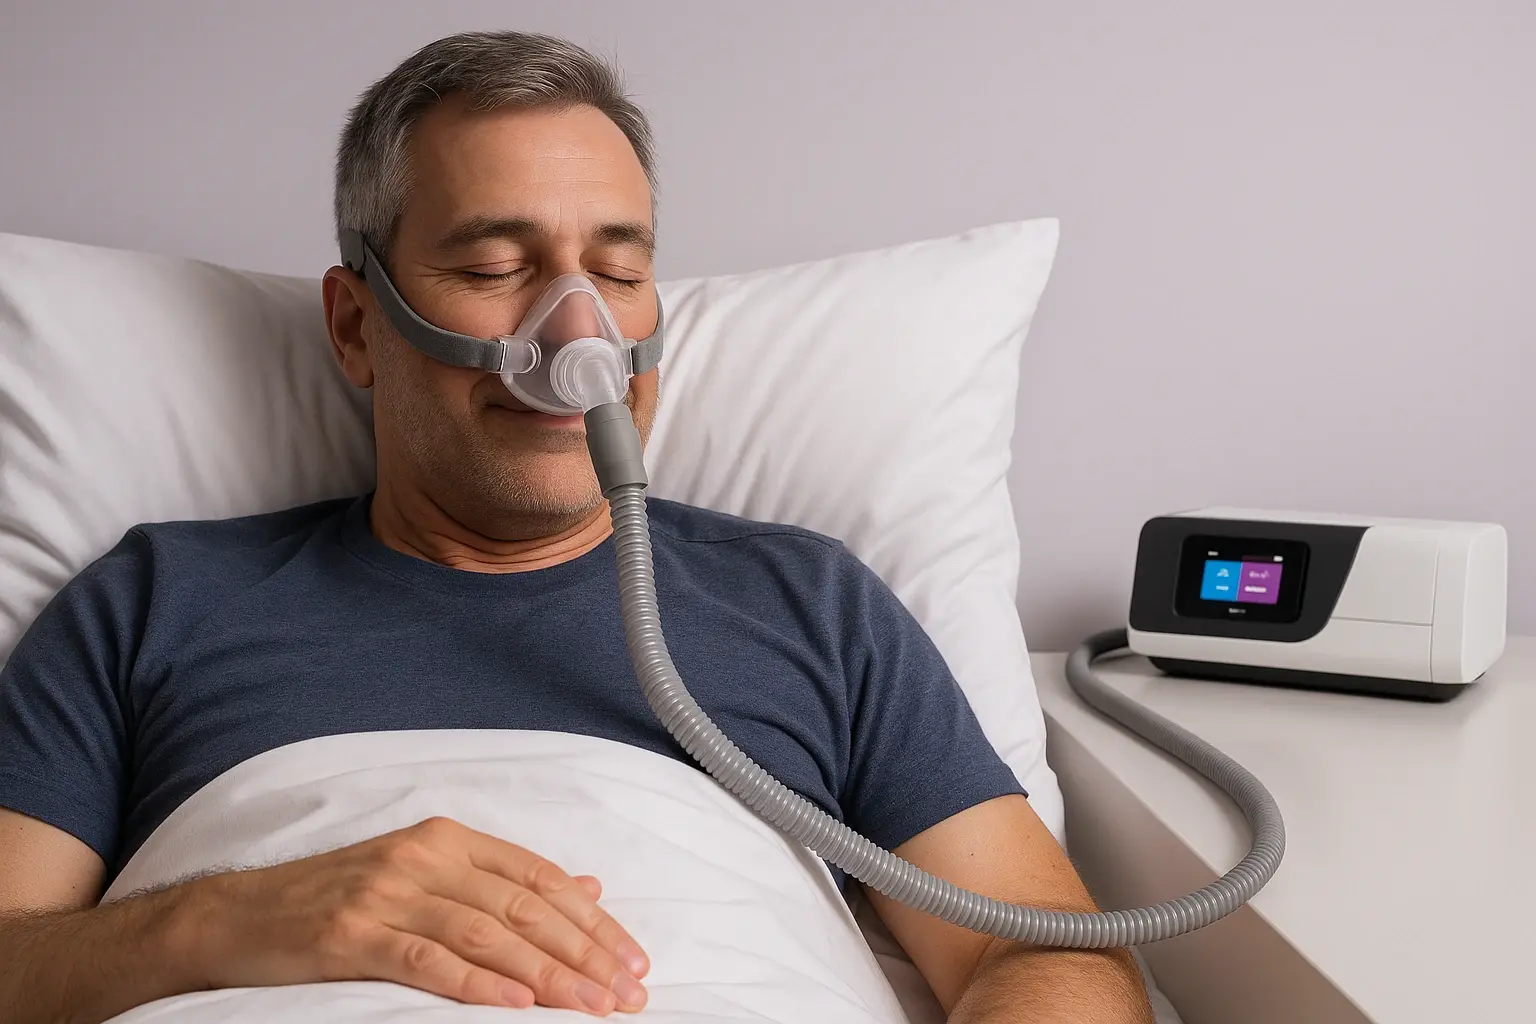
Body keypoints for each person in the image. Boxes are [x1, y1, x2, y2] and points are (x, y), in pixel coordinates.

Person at [0, 30, 1153, 1024]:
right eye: (498, 265)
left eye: (619, 268)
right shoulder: (158, 600)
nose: (574, 333)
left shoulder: (809, 602)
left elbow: (1043, 951)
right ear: (356, 326)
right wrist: (222, 916)